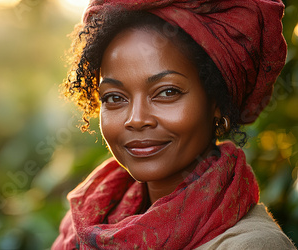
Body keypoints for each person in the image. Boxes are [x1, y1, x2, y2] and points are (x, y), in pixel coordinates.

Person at [52, 0, 296, 249]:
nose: (136, 119)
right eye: (114, 97)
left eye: (167, 92)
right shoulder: (84, 221)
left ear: (217, 100)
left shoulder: (253, 245)